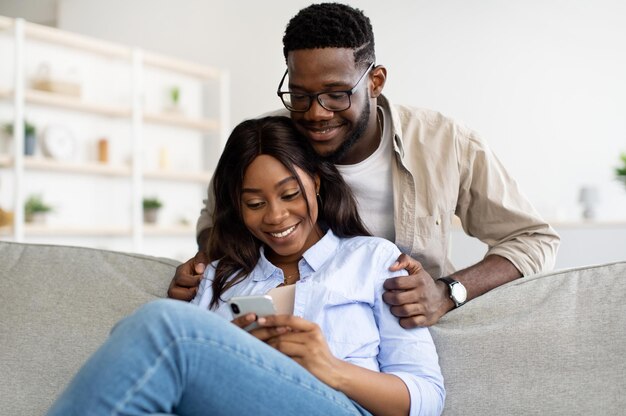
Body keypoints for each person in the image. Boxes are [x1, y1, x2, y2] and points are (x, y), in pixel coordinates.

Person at [168, 3, 560, 327]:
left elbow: (533, 240)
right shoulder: (267, 142)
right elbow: (216, 223)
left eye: (337, 95)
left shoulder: (446, 142)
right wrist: (204, 267)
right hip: (299, 328)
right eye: (300, 96)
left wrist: (448, 291)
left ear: (375, 81)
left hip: (403, 333)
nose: (316, 114)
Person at [47, 116, 445, 416]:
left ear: (316, 183)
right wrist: (238, 360)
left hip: (337, 407)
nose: (275, 216)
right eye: (255, 203)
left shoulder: (374, 260)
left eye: (290, 194)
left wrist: (330, 368)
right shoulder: (222, 276)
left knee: (162, 327)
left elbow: (427, 396)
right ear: (237, 206)